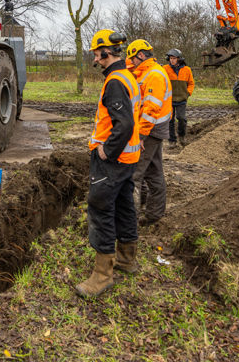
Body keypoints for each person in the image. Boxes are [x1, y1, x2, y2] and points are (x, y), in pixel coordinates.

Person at [76, 29, 141, 298]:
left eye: (96, 53)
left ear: (106, 52)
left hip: (114, 160)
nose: (95, 58)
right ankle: (127, 259)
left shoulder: (115, 81)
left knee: (100, 207)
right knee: (124, 205)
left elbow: (123, 124)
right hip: (129, 158)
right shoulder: (128, 76)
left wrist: (108, 151)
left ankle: (102, 276)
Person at [126, 39, 172, 227]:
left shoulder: (154, 75)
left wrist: (141, 136)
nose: (132, 62)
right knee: (154, 172)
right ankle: (154, 214)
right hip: (153, 129)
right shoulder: (148, 72)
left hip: (150, 130)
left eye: (133, 59)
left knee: (134, 175)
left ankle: (129, 220)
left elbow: (151, 110)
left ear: (141, 55)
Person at [164, 48, 194, 146]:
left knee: (181, 118)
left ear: (179, 59)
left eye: (174, 58)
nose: (172, 60)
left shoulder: (187, 70)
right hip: (169, 99)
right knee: (170, 120)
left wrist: (187, 93)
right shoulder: (165, 69)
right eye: (170, 58)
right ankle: (172, 140)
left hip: (182, 99)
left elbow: (191, 83)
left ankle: (182, 136)